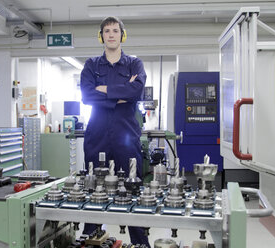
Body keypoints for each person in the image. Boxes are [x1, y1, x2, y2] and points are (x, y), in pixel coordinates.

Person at [80, 16, 150, 247]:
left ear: (122, 35)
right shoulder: (91, 65)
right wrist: (120, 93)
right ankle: (91, 238)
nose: (111, 34)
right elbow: (87, 96)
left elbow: (136, 91)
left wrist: (104, 91)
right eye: (107, 31)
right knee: (94, 186)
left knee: (132, 187)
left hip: (126, 135)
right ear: (101, 36)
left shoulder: (134, 64)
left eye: (115, 30)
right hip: (97, 134)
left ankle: (140, 242)